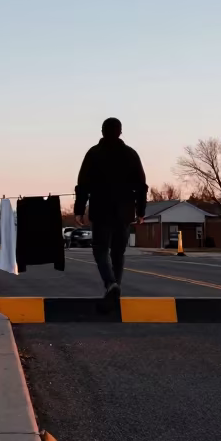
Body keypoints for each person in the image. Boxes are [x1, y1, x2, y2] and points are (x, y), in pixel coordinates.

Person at [74, 117, 147, 308]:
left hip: (101, 208)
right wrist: (141, 211)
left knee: (100, 249)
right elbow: (141, 186)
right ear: (120, 132)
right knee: (118, 252)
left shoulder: (94, 154)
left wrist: (79, 210)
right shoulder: (131, 154)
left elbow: (82, 185)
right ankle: (116, 288)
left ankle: (110, 283)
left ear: (102, 132)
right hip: (124, 210)